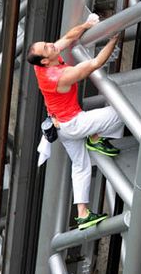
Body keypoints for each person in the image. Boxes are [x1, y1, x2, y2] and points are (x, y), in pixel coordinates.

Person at [27, 14, 124, 229]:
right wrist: (113, 39)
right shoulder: (60, 77)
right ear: (45, 60)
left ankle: (82, 214)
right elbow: (96, 63)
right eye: (48, 47)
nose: (52, 45)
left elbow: (68, 38)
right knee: (120, 112)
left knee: (80, 166)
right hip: (74, 124)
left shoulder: (41, 64)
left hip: (59, 126)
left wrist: (87, 25)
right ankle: (97, 138)